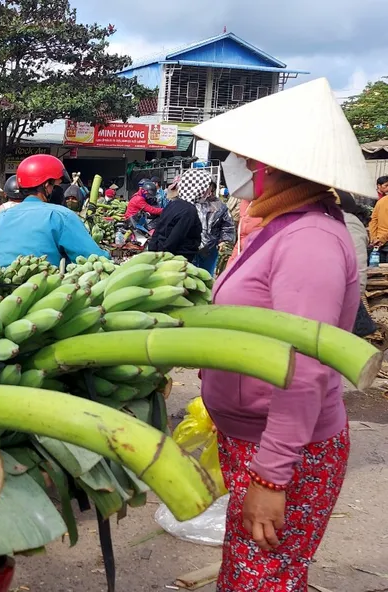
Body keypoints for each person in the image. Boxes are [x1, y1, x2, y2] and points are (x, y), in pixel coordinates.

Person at [193, 77, 368, 590]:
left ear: (266, 165)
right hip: (252, 439)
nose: (231, 164)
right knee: (249, 570)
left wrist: (272, 476)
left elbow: (304, 368)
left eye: (239, 156)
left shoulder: (309, 240)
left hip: (287, 450)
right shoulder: (279, 224)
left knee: (262, 577)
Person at [0, 154, 108, 267]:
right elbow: (94, 257)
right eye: (57, 185)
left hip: (1, 280)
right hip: (43, 280)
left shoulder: (0, 217)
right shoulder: (61, 216)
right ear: (46, 185)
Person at [147, 169, 206, 261]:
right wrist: (164, 257)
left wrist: (153, 251)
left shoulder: (173, 204)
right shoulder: (189, 210)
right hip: (176, 258)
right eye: (206, 189)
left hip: (163, 252)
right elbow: (176, 237)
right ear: (199, 189)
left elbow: (159, 228)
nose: (207, 193)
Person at [191, 180, 236, 276]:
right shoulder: (193, 203)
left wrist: (224, 241)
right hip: (193, 245)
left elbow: (227, 226)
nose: (209, 192)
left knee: (207, 275)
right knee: (192, 274)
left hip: (211, 248)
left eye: (211, 189)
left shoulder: (221, 206)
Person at [368, 175, 388, 261]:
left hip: (378, 242)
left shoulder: (381, 201)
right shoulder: (380, 200)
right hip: (382, 241)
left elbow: (373, 220)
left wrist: (374, 238)